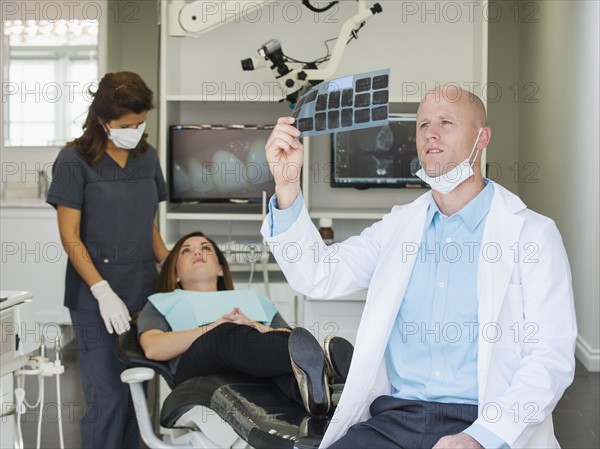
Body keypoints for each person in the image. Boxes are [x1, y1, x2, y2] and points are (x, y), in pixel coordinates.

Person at [260, 85, 577, 449]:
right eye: (423, 123)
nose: (431, 132)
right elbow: (319, 275)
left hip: (489, 420)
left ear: (482, 136)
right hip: (396, 419)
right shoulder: (399, 227)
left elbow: (550, 357)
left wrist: (479, 438)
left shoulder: (532, 234)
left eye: (446, 121)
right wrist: (286, 186)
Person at [46, 71, 170, 449]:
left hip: (143, 293)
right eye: (125, 125)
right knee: (109, 399)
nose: (134, 130)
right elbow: (70, 237)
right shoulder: (74, 160)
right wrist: (102, 291)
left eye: (140, 122)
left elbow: (144, 223)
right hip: (93, 299)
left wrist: (169, 263)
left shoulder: (147, 158)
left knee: (139, 399)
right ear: (103, 121)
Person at [137, 231, 354, 416]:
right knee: (226, 333)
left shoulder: (254, 299)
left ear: (220, 269)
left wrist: (257, 327)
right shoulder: (162, 302)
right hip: (195, 374)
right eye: (186, 250)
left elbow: (290, 338)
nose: (197, 252)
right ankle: (328, 363)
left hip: (255, 369)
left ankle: (316, 399)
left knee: (284, 341)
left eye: (206, 248)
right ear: (175, 273)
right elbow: (153, 348)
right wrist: (214, 326)